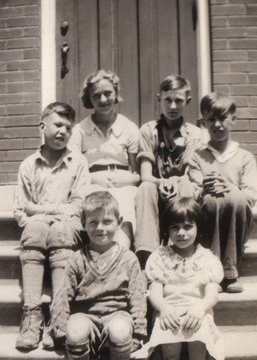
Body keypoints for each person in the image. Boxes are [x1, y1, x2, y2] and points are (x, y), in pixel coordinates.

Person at [14, 102, 90, 351]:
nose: (62, 131)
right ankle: (32, 314)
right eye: (58, 125)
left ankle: (58, 317)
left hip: (67, 228)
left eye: (68, 128)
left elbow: (79, 205)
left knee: (57, 228)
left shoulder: (78, 162)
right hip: (39, 229)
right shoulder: (28, 164)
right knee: (35, 227)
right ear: (42, 125)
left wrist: (44, 212)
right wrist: (42, 217)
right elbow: (21, 209)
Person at [51, 191, 147, 360]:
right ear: (83, 225)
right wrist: (62, 330)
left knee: (119, 331)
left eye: (107, 221)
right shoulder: (76, 259)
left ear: (119, 223)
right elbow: (63, 295)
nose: (100, 228)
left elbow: (137, 295)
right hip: (86, 316)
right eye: (93, 222)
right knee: (76, 331)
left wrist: (139, 331)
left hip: (118, 314)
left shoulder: (128, 259)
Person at [132, 197, 225, 360]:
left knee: (199, 329)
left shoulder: (207, 259)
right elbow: (155, 292)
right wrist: (164, 308)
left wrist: (200, 308)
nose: (181, 233)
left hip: (197, 310)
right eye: (175, 227)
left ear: (198, 227)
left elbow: (212, 295)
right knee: (168, 328)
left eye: (188, 226)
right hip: (169, 310)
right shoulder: (160, 257)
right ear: (167, 229)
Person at [188, 92, 257, 293]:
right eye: (211, 119)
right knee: (211, 200)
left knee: (236, 198)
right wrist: (203, 189)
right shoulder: (198, 157)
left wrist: (230, 188)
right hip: (209, 218)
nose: (217, 125)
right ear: (204, 123)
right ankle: (213, 273)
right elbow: (193, 191)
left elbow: (251, 194)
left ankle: (230, 270)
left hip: (237, 217)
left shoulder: (244, 157)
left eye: (223, 118)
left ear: (233, 119)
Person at [135, 74, 202, 269]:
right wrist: (161, 183)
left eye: (179, 101)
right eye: (168, 100)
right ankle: (146, 255)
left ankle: (183, 251)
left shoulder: (194, 133)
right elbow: (146, 175)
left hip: (182, 190)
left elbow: (190, 173)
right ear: (159, 99)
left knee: (187, 185)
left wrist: (174, 182)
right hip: (157, 190)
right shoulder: (149, 130)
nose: (173, 106)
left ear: (187, 101)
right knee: (145, 188)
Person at [69, 70, 140, 250]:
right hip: (92, 181)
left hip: (124, 182)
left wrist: (129, 179)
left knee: (126, 201)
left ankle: (121, 255)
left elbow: (137, 171)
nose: (103, 100)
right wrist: (93, 179)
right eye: (96, 96)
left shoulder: (129, 127)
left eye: (108, 93)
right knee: (95, 203)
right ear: (89, 99)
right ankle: (98, 254)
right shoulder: (80, 130)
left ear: (115, 93)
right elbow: (73, 170)